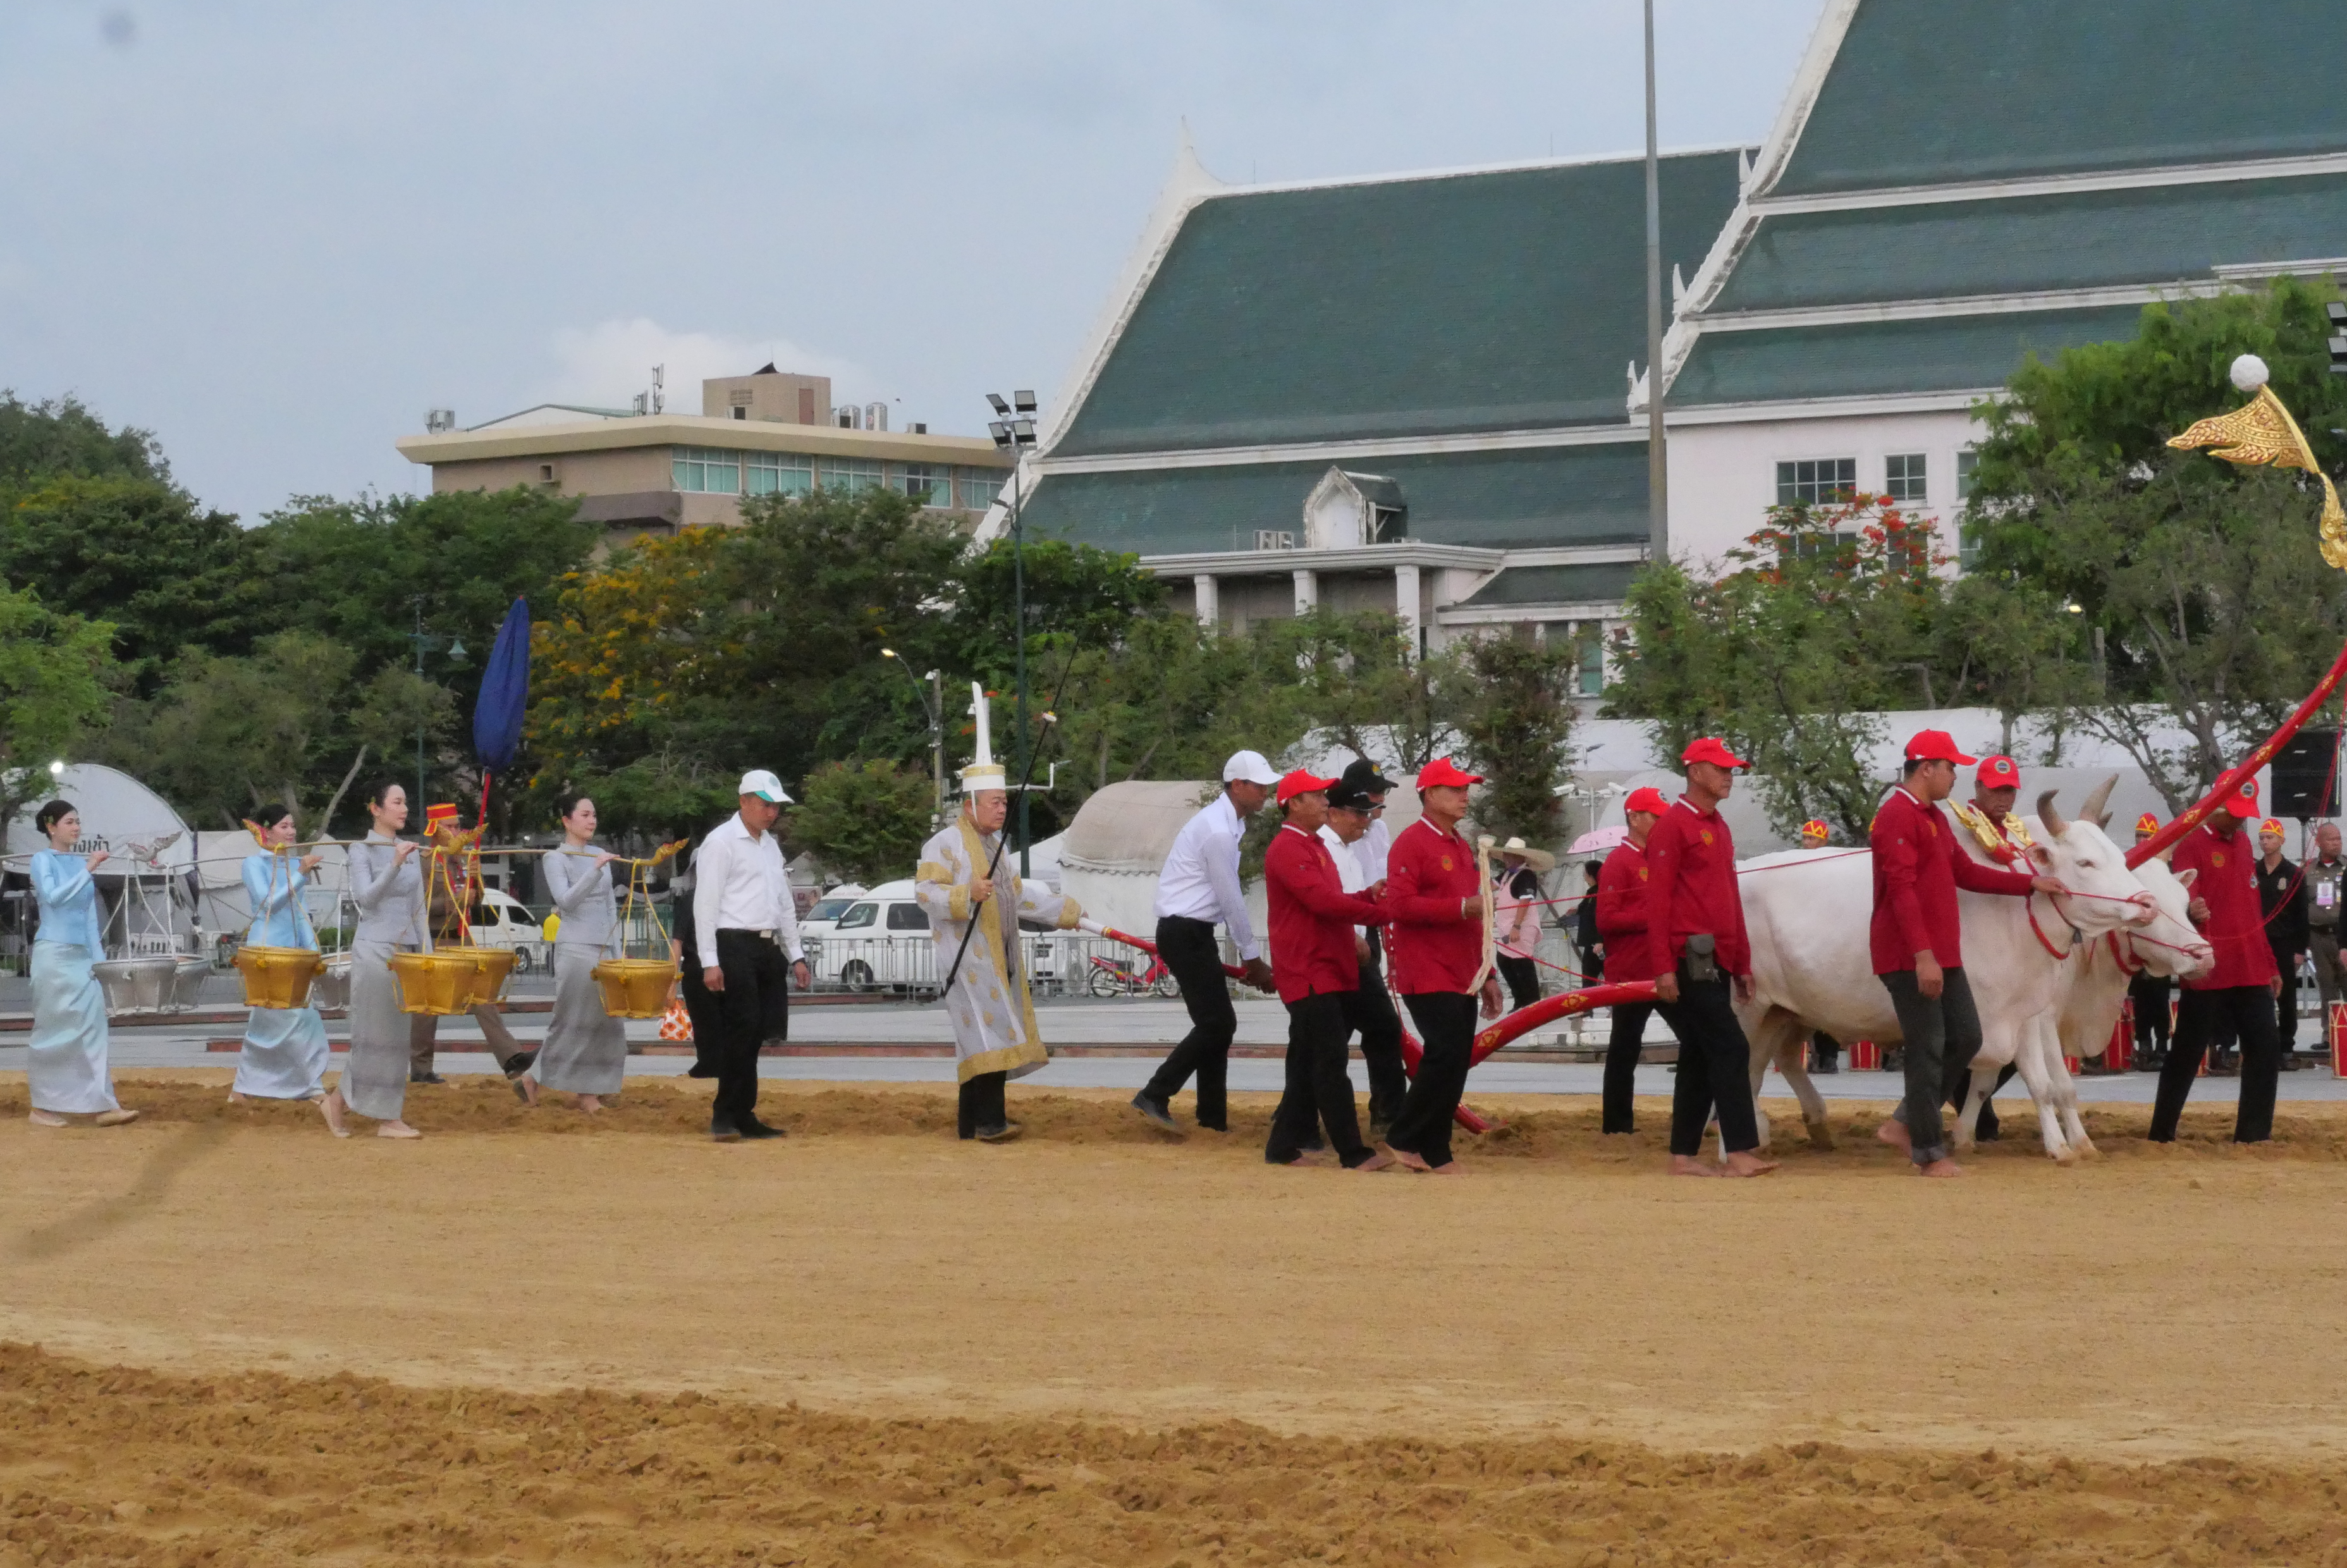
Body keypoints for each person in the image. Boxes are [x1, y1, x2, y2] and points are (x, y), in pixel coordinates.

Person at [1870, 733, 2057, 1177]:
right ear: (1926, 768)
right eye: (1951, 767)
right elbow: (1901, 891)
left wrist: (2029, 884)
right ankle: (1928, 1150)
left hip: (1941, 953)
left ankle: (1905, 1124)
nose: (1957, 774)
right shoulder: (1897, 815)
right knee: (1927, 1048)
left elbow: (1965, 872)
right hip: (1910, 954)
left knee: (1968, 1038)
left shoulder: (1932, 816)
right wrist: (1922, 956)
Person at [914, 717, 1083, 1143]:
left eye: (1005, 802)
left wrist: (1063, 911)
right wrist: (965, 893)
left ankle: (973, 1122)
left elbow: (1016, 896)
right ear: (970, 804)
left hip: (1001, 956)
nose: (1002, 808)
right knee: (991, 1039)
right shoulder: (944, 844)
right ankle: (990, 1122)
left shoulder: (998, 848)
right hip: (966, 959)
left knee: (983, 1039)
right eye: (994, 802)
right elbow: (925, 893)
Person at [1643, 741, 1775, 1178]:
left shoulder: (1718, 827)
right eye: (1721, 769)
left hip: (1715, 957)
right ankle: (1738, 1148)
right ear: (1695, 771)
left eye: (1731, 770)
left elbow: (1729, 899)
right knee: (1731, 1046)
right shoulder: (1673, 826)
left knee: (1700, 1054)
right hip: (1686, 955)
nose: (1729, 776)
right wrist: (1663, 966)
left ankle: (1683, 1154)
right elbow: (1657, 901)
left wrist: (1741, 964)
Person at [1132, 750, 1280, 1133]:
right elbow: (1230, 899)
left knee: (1216, 1024)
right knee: (1218, 1024)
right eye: (1259, 785)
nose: (1266, 791)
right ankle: (1156, 1093)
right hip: (1185, 930)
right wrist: (1253, 959)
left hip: (1192, 930)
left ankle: (1212, 1116)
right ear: (1237, 785)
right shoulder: (1217, 830)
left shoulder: (1226, 824)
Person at [1263, 770, 1396, 1169]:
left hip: (1325, 966)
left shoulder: (1315, 845)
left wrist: (1365, 896)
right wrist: (1380, 911)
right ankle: (1353, 1152)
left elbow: (1331, 900)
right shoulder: (1289, 848)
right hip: (1308, 968)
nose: (1326, 801)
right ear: (1294, 804)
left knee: (1313, 1060)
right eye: (1318, 796)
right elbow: (1323, 904)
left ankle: (1282, 1147)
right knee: (1330, 1061)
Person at [1380, 756, 1504, 1175]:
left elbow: (1477, 916)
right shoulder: (1411, 842)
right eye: (1456, 789)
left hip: (1463, 969)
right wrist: (1458, 907)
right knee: (1444, 1054)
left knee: (1454, 1060)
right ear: (1430, 795)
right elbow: (1397, 904)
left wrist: (1487, 971)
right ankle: (1403, 1135)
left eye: (1466, 788)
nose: (1465, 796)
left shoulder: (1460, 844)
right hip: (1427, 967)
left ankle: (1437, 1149)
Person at [2151, 779, 2284, 1144]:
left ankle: (2254, 1135)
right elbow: (2181, 897)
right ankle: (2161, 1133)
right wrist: (2191, 908)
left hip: (2251, 967)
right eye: (2234, 815)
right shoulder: (2192, 843)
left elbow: (2252, 909)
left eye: (2244, 816)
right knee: (2188, 1051)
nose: (2240, 823)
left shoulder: (2242, 844)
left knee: (2265, 1047)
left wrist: (2269, 962)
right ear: (2217, 804)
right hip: (2210, 967)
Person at [694, 770, 811, 1142]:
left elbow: (783, 904)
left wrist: (796, 955)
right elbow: (705, 904)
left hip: (765, 944)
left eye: (775, 805)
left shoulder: (770, 846)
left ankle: (743, 1112)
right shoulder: (721, 842)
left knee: (759, 1030)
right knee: (741, 1027)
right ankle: (725, 1113)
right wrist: (710, 961)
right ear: (743, 801)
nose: (771, 812)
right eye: (765, 804)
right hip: (732, 942)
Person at [322, 780, 428, 1139]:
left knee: (397, 1038)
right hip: (374, 949)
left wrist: (425, 955)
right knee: (373, 1036)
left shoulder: (409, 849)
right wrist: (394, 865)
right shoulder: (361, 849)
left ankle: (347, 1103)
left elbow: (419, 908)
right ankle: (380, 1115)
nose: (404, 809)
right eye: (397, 802)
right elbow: (365, 899)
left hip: (405, 953)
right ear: (376, 809)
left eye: (405, 803)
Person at [24, 800, 137, 1129]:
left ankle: (103, 1103)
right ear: (51, 827)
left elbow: (89, 921)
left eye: (77, 822)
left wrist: (100, 966)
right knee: (52, 1029)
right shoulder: (42, 859)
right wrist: (88, 868)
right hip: (53, 956)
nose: (76, 828)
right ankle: (43, 1105)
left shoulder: (79, 863)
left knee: (94, 1027)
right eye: (69, 822)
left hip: (81, 958)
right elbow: (54, 897)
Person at [406, 803, 530, 1086]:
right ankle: (421, 1067)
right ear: (435, 830)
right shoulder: (424, 862)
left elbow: (479, 900)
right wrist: (456, 901)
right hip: (434, 936)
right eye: (449, 827)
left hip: (462, 936)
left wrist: (475, 879)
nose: (456, 832)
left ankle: (511, 1058)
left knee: (482, 996)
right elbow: (420, 905)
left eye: (457, 826)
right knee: (429, 1006)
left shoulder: (460, 861)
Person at [523, 794, 627, 1113]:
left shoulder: (599, 853)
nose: (592, 820)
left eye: (594, 814)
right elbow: (565, 902)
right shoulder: (555, 858)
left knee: (609, 1022)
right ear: (567, 820)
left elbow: (610, 905)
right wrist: (594, 871)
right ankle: (582, 1092)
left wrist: (617, 949)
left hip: (603, 948)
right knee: (573, 1021)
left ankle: (574, 1084)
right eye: (584, 815)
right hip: (575, 947)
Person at [1323, 763, 1408, 1136]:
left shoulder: (1376, 829)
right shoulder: (1326, 841)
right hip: (1346, 934)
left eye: (1380, 799)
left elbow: (1377, 876)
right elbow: (1331, 898)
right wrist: (1353, 930)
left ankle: (1300, 1111)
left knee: (1335, 1032)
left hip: (1365, 926)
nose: (1376, 808)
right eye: (1370, 801)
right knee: (1355, 1029)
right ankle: (1388, 1113)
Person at [231, 806, 331, 1105]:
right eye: (284, 826)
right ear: (267, 831)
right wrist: (300, 875)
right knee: (281, 1019)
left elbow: (300, 914)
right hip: (268, 951)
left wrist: (312, 951)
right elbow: (267, 905)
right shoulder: (253, 864)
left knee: (295, 1018)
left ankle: (247, 1087)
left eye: (292, 826)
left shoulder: (293, 862)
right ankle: (307, 1087)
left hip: (294, 952)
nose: (291, 832)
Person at [1595, 785, 1667, 1134]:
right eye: (1656, 816)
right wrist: (1653, 917)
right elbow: (1605, 921)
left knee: (1700, 1038)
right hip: (1630, 972)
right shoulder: (1618, 862)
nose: (1661, 823)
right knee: (1625, 1049)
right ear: (1634, 818)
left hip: (1663, 969)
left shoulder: (1660, 858)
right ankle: (1617, 1125)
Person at [2256, 818, 2309, 1070]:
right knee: (2257, 996)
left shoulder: (2294, 873)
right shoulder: (2252, 872)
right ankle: (2260, 1047)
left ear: (2281, 841)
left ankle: (2286, 1047)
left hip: (2285, 943)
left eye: (2271, 838)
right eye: (2263, 838)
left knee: (2286, 997)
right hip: (2257, 943)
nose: (2266, 842)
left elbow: (2302, 915)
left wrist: (2300, 950)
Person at [2131, 812, 2174, 1072]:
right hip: (2136, 938)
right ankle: (2143, 1043)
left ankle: (2162, 1045)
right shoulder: (2128, 867)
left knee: (2160, 995)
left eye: (2147, 836)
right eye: (2139, 836)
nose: (2142, 840)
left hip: (2159, 938)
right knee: (2139, 996)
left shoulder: (2165, 869)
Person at [1492, 836, 1554, 1014]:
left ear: (1520, 857)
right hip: (1507, 925)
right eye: (1505, 855)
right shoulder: (1507, 875)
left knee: (1522, 962)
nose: (1506, 859)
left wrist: (1517, 926)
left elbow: (1525, 902)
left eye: (1510, 855)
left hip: (1521, 926)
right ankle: (1521, 1000)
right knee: (1505, 961)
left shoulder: (1526, 875)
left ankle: (1532, 1002)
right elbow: (1490, 885)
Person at [2305, 822, 2347, 1042]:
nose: (2337, 843)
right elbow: (2301, 905)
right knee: (2326, 987)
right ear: (2319, 842)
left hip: (2344, 939)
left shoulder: (2346, 868)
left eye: (2339, 839)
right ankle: (2329, 1036)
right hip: (2319, 937)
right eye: (2331, 839)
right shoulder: (2308, 870)